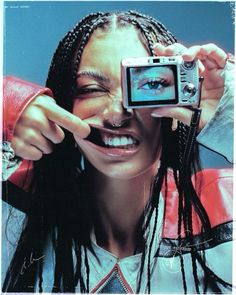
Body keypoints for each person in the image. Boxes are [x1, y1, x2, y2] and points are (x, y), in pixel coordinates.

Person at [2, 10, 234, 293]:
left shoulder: (228, 202)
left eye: (150, 84)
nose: (116, 115)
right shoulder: (13, 202)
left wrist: (230, 119)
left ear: (179, 108)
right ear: (63, 105)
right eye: (91, 89)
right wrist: (6, 107)